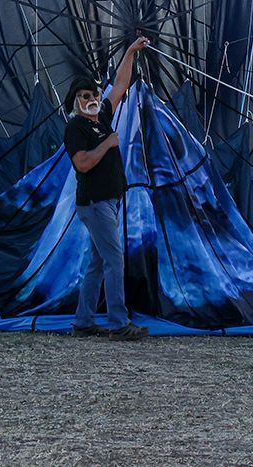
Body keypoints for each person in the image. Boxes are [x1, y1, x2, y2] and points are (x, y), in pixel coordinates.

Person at [64, 35, 151, 340]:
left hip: (108, 202)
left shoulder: (101, 116)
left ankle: (83, 321)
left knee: (98, 263)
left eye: (93, 94)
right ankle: (118, 323)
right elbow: (83, 163)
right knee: (114, 260)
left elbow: (120, 86)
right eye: (85, 95)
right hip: (95, 203)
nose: (91, 98)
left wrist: (129, 52)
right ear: (76, 101)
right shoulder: (76, 127)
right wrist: (108, 143)